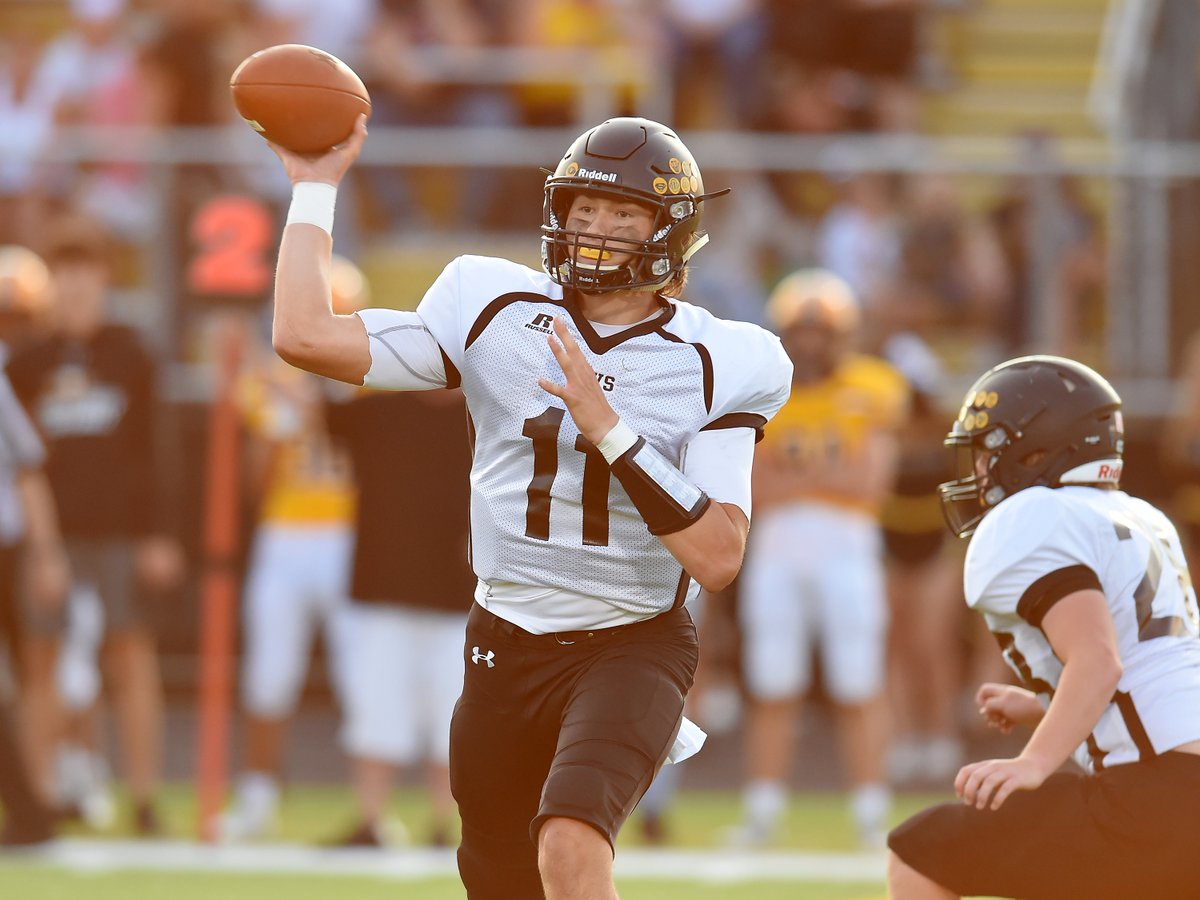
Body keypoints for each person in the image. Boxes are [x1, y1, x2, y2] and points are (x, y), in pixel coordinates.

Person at [266, 114, 792, 898]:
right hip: (504, 637)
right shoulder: (493, 306)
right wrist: (314, 189)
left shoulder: (723, 358)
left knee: (572, 845)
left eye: (622, 215)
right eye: (583, 209)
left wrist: (610, 432)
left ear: (670, 232)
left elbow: (717, 556)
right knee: (497, 875)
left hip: (632, 639)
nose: (596, 230)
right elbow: (305, 336)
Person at [887, 355, 1200, 900]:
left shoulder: (1033, 516)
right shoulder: (1141, 517)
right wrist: (1043, 704)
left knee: (921, 850)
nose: (979, 471)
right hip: (1177, 787)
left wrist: (1034, 761)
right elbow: (1157, 669)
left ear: (1035, 451)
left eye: (989, 452)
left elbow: (1100, 660)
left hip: (1157, 797)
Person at [6, 215, 183, 836]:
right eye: (65, 274)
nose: (76, 286)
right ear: (52, 283)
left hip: (121, 531)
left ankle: (143, 797)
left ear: (106, 279)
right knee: (40, 659)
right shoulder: (27, 364)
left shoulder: (131, 353)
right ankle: (36, 798)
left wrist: (161, 532)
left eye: (87, 273)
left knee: (130, 656)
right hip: (49, 535)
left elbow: (157, 447)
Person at [732, 269, 907, 849]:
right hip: (779, 548)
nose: (809, 342)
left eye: (820, 331)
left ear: (843, 335)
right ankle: (761, 811)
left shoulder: (874, 385)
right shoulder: (763, 389)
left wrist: (798, 476)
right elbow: (757, 486)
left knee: (859, 683)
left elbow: (869, 483)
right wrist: (824, 477)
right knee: (772, 682)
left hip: (847, 548)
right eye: (799, 331)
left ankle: (870, 813)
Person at [215, 259, 365, 843]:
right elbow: (253, 489)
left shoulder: (370, 378)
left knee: (362, 677)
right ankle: (257, 799)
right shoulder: (267, 380)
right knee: (268, 674)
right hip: (284, 534)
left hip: (352, 537)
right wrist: (282, 424)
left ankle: (369, 806)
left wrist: (316, 411)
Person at [325, 385, 473, 848]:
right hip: (383, 588)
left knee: (457, 717)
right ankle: (371, 818)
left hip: (463, 596)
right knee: (374, 709)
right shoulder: (376, 410)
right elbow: (318, 409)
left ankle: (447, 825)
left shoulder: (489, 414)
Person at [0, 245, 69, 845]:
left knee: (28, 674)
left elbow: (27, 464)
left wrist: (45, 553)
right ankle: (30, 806)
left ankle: (32, 805)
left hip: (8, 546)